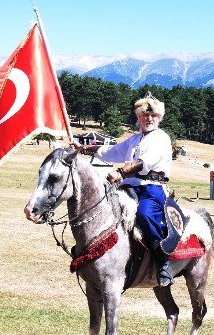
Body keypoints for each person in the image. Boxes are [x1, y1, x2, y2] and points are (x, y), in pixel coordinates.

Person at [72, 92, 173, 286]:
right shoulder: (134, 139)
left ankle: (163, 262)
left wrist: (121, 173)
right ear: (138, 117)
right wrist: (83, 148)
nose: (148, 119)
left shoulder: (162, 138)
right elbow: (110, 152)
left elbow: (145, 162)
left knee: (144, 214)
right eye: (144, 115)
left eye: (153, 116)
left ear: (159, 117)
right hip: (127, 187)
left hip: (151, 188)